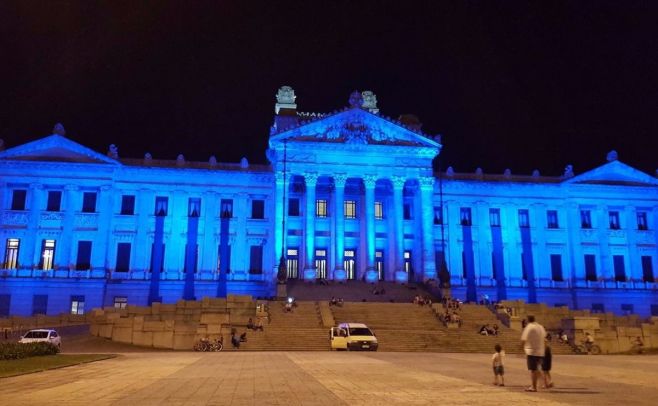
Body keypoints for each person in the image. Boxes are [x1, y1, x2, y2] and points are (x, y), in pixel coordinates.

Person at [520, 315, 546, 392]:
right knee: (537, 369)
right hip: (540, 351)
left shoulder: (529, 327)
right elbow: (544, 339)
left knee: (533, 370)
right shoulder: (540, 327)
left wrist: (520, 349)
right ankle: (545, 382)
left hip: (531, 351)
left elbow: (523, 339)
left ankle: (533, 387)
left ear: (528, 320)